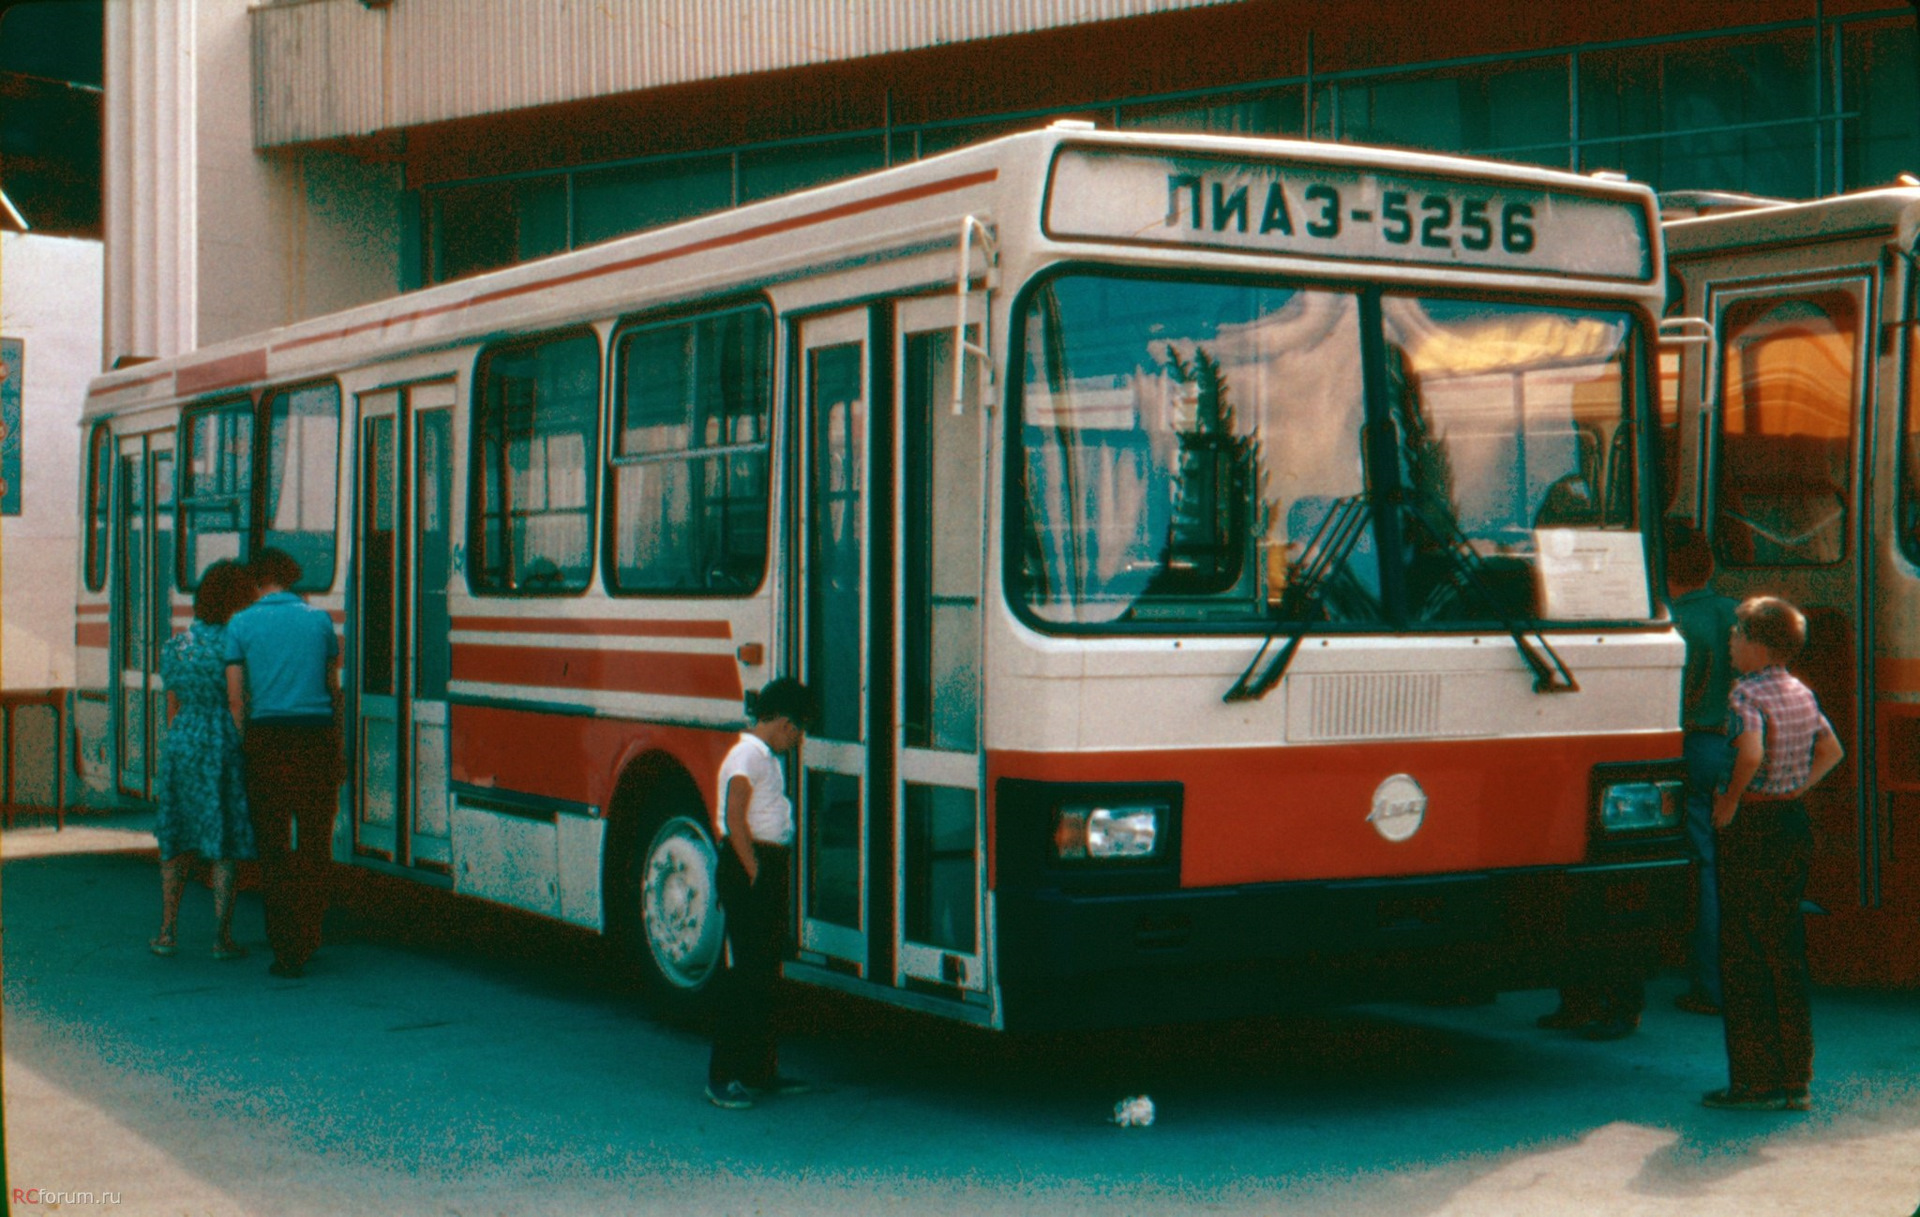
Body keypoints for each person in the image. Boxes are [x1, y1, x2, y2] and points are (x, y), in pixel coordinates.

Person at [1702, 595, 1843, 1112]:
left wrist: (1731, 799)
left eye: (1737, 634)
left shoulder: (1745, 694)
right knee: (1784, 948)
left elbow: (1751, 750)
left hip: (1753, 824)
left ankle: (1753, 1080)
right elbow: (1832, 750)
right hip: (1790, 822)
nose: (1731, 642)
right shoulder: (1801, 691)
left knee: (1743, 949)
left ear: (1757, 644)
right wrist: (1796, 788)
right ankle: (1796, 1079)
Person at [224, 547, 341, 980]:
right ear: (290, 578)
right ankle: (310, 934)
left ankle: (285, 947)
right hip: (315, 735)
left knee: (272, 845)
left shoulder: (241, 624)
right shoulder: (318, 621)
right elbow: (333, 689)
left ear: (256, 582)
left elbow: (237, 697)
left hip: (267, 739)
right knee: (314, 840)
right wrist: (337, 743)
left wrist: (242, 744)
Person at [707, 678, 816, 1110]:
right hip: (750, 866)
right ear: (785, 722)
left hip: (764, 864)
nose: (799, 739)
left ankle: (759, 1071)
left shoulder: (763, 756)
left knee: (765, 975)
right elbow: (736, 817)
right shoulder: (747, 754)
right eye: (799, 730)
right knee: (745, 977)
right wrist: (754, 872)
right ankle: (722, 1076)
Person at [150, 560, 259, 960]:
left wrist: (179, 738)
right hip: (219, 741)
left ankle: (167, 932)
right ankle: (221, 938)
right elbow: (236, 701)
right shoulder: (233, 643)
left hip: (182, 740)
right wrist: (242, 743)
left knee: (176, 835)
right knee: (222, 840)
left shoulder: (177, 645)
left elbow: (171, 704)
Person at [1665, 521, 1739, 1016]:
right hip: (1737, 749)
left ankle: (1708, 984)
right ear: (1709, 565)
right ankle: (1739, 977)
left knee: (1703, 869)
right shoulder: (1734, 613)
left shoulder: (1668, 623)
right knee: (1733, 869)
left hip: (1693, 748)